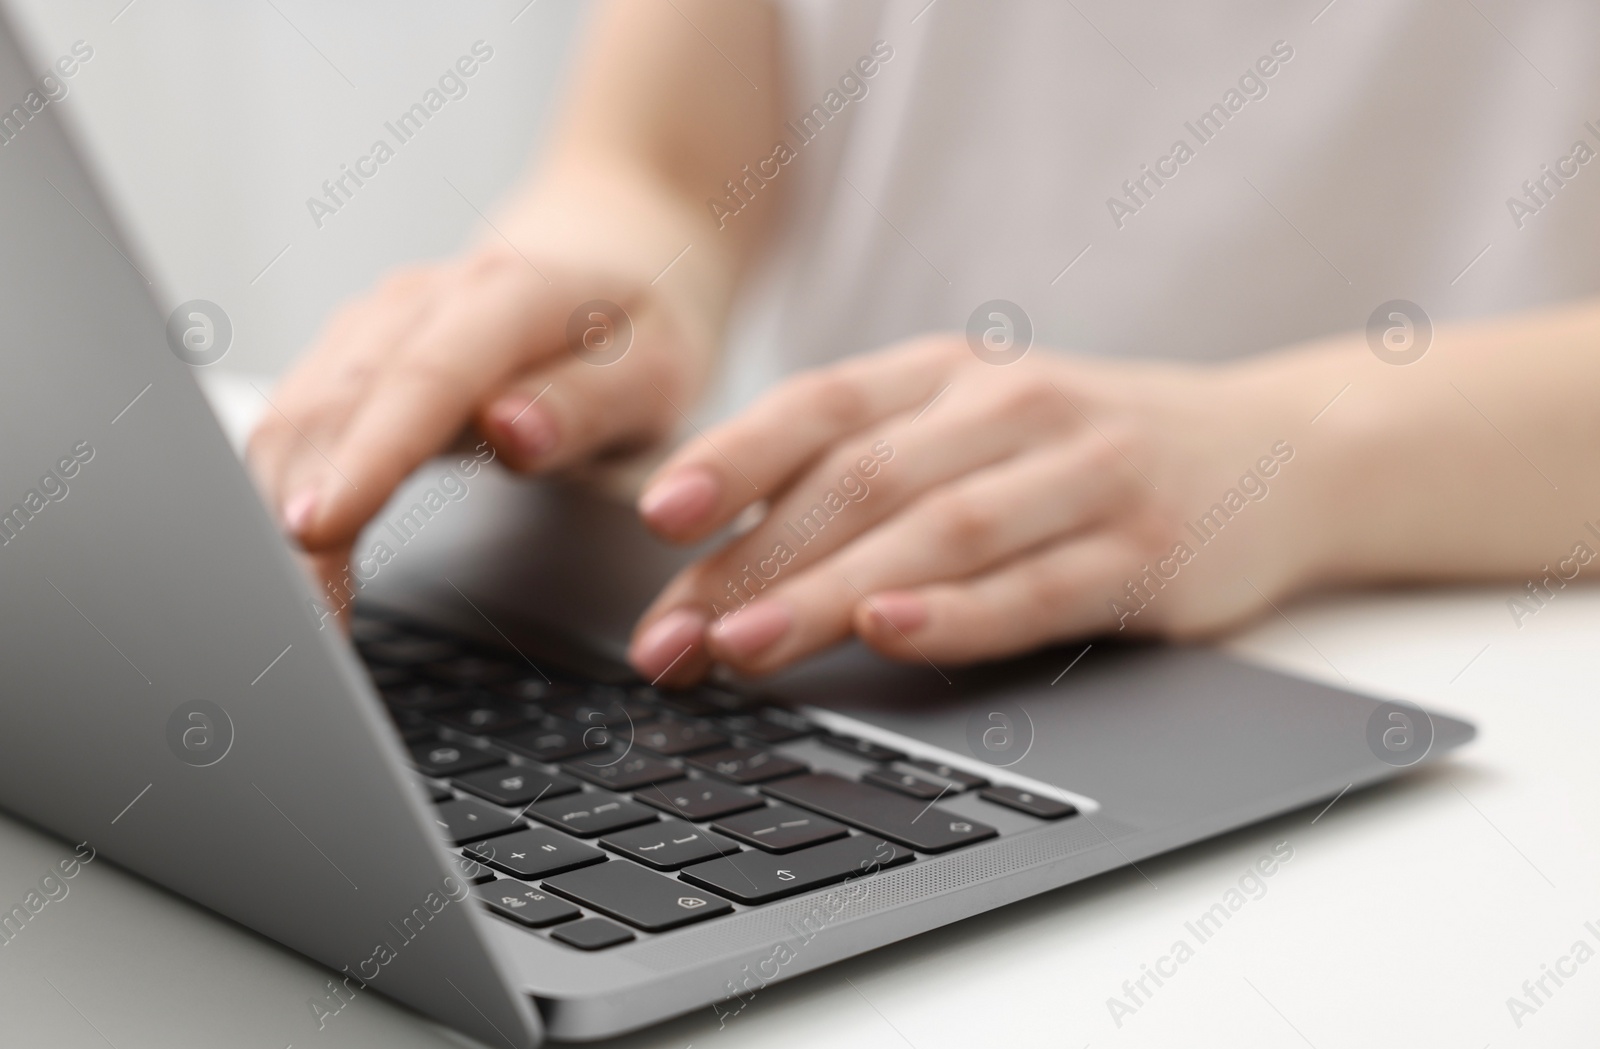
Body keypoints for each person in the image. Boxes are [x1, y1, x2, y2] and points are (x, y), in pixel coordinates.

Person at [248, 0, 1600, 687]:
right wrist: (587, 282)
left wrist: (1276, 459)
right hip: (840, 642)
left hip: (1463, 669)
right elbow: (659, 159)